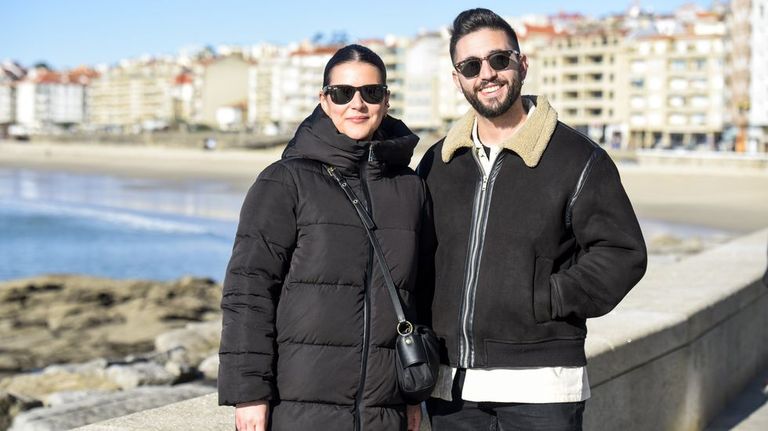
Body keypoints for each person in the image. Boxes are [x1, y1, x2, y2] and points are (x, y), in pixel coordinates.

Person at [416, 9, 648, 431]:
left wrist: (546, 297)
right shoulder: (438, 162)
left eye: (498, 60)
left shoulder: (578, 158)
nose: (486, 73)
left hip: (542, 389)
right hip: (451, 389)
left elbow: (622, 252)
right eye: (471, 66)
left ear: (522, 64)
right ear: (457, 79)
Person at [218, 44, 428, 431]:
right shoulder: (285, 181)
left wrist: (412, 395)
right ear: (324, 100)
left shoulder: (410, 187)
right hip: (299, 409)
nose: (357, 103)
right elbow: (248, 291)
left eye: (371, 92)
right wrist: (249, 393)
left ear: (386, 99)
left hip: (385, 411)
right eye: (343, 93)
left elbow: (417, 296)